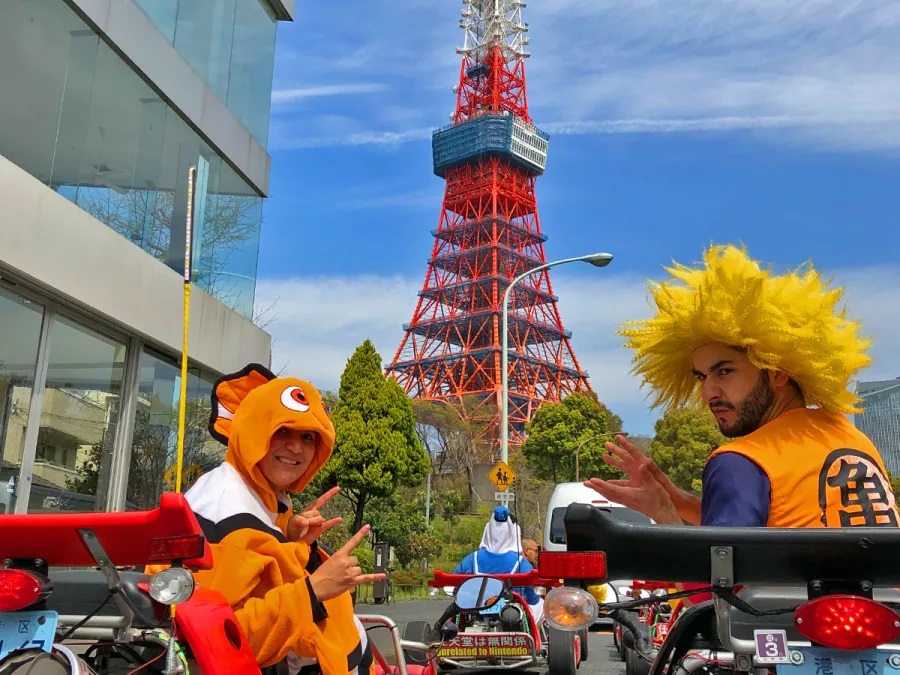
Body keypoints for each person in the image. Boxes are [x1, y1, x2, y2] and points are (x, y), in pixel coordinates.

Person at [586, 244, 899, 530]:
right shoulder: (852, 439)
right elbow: (782, 518)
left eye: (724, 371)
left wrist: (664, 513)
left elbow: (713, 589)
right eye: (701, 377)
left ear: (777, 371)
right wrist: (677, 500)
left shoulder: (741, 459)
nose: (709, 393)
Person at [174, 363, 383, 675]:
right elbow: (216, 641)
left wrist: (293, 540)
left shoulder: (261, 494)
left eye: (309, 436)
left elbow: (262, 570)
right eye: (281, 431)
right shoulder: (226, 511)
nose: (296, 447)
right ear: (252, 429)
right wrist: (313, 591)